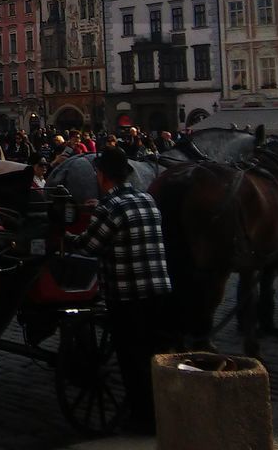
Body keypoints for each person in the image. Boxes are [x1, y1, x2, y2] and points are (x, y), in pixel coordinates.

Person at [69, 147, 173, 434]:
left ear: (102, 176)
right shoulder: (147, 199)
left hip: (127, 294)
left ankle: (143, 417)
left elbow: (90, 246)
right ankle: (165, 408)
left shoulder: (109, 208)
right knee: (155, 352)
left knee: (132, 357)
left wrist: (64, 238)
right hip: (159, 288)